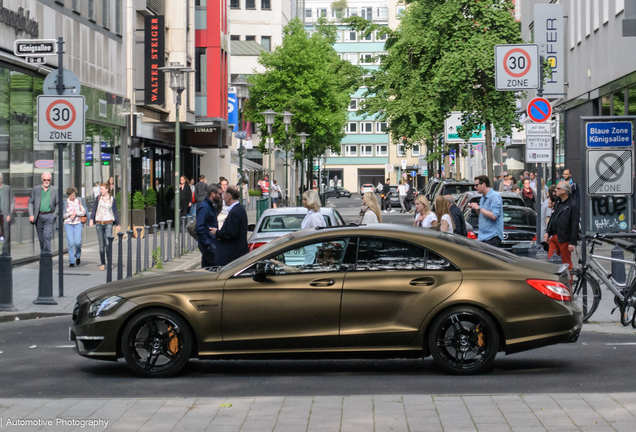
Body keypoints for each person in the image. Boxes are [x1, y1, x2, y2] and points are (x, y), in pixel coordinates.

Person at [544, 181, 579, 273]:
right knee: (551, 262)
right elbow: (553, 217)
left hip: (564, 238)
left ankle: (568, 284)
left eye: (558, 188)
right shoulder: (558, 202)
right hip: (554, 236)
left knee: (566, 263)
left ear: (564, 191)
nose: (556, 190)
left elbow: (574, 224)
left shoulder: (572, 204)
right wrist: (548, 232)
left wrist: (572, 242)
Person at [209, 186, 248, 266]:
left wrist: (217, 232)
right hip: (237, 254)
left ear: (229, 196)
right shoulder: (240, 210)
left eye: (224, 195)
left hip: (232, 256)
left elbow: (231, 233)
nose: (222, 198)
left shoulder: (234, 212)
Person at [90, 182, 120, 271]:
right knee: (101, 244)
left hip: (108, 222)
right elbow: (94, 209)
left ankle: (109, 262)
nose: (101, 191)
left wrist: (118, 224)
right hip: (99, 223)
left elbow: (115, 211)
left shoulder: (112, 199)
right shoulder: (98, 198)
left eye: (102, 189)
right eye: (100, 189)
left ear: (107, 189)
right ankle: (103, 262)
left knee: (108, 243)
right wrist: (92, 219)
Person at [468, 175, 504, 247]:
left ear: (483, 184)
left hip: (492, 237)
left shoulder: (495, 197)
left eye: (476, 185)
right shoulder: (483, 197)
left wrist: (479, 208)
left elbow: (494, 216)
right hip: (483, 237)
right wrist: (476, 208)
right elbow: (482, 215)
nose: (475, 187)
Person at [28, 172, 59, 253]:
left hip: (49, 216)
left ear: (50, 180)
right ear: (42, 180)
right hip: (38, 217)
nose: (46, 181)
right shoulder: (36, 189)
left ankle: (47, 256)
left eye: (48, 180)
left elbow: (58, 204)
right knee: (41, 239)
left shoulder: (54, 190)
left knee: (47, 237)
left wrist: (54, 215)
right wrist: (31, 214)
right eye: (44, 179)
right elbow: (30, 202)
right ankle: (43, 255)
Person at [299, 189, 326, 265]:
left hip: (313, 250)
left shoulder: (314, 217)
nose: (303, 201)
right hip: (309, 249)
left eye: (305, 199)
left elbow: (318, 235)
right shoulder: (311, 214)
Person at [196, 184, 220, 268]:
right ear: (213, 193)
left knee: (207, 268)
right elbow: (199, 227)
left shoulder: (210, 206)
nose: (220, 196)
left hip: (210, 242)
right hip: (208, 243)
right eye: (219, 194)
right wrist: (208, 243)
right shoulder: (205, 207)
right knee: (215, 267)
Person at [63, 187, 87, 267]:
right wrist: (70, 214)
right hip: (68, 223)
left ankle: (77, 256)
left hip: (77, 223)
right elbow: (63, 215)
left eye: (73, 196)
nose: (72, 197)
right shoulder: (65, 203)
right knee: (70, 243)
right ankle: (71, 261)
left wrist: (76, 213)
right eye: (70, 196)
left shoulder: (79, 201)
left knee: (77, 242)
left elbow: (83, 212)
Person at [0, 172, 14, 252]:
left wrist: (9, 213)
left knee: (4, 236)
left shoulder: (7, 188)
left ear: (1, 179)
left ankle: (4, 253)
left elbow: (12, 200)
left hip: (5, 216)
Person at [541, 185, 557, 251]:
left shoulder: (546, 202)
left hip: (544, 236)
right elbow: (548, 221)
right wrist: (549, 234)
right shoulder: (549, 204)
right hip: (547, 238)